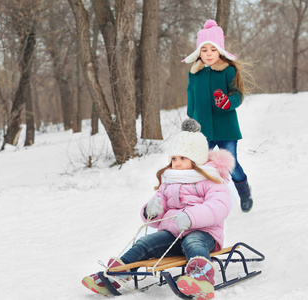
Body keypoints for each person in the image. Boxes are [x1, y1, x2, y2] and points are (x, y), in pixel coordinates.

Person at [82, 119, 235, 300]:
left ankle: (200, 278)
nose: (177, 163)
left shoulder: (210, 179)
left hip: (204, 234)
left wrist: (191, 217)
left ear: (196, 159)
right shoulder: (169, 180)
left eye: (183, 158)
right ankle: (116, 275)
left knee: (193, 242)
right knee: (145, 243)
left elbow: (219, 207)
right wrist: (150, 210)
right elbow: (159, 199)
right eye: (174, 158)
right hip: (173, 235)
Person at [182, 19, 253, 213]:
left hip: (225, 127)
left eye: (212, 50)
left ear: (219, 50)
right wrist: (192, 117)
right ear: (199, 52)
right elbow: (191, 96)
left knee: (231, 163)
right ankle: (198, 199)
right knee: (198, 163)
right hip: (202, 127)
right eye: (204, 50)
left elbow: (237, 94)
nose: (209, 54)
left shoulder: (228, 71)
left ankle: (244, 191)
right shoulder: (194, 73)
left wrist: (228, 102)